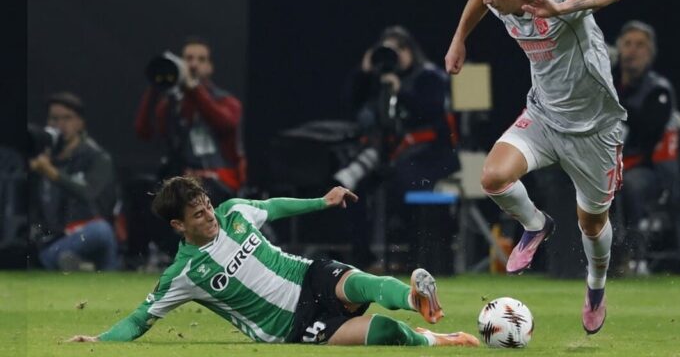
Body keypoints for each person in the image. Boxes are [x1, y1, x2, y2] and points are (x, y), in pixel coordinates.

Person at [444, 0, 625, 334]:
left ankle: (596, 286)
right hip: (543, 116)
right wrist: (460, 39)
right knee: (493, 177)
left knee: (592, 224)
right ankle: (535, 224)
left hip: (594, 129)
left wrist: (563, 9)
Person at [66, 176, 478, 347]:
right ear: (178, 225)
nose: (209, 215)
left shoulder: (234, 212)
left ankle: (418, 299)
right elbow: (140, 319)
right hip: (290, 326)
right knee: (385, 332)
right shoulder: (185, 272)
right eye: (198, 214)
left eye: (207, 205)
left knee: (361, 282)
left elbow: (274, 207)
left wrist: (322, 200)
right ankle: (437, 340)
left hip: (306, 275)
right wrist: (100, 342)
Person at [336, 26, 460, 269]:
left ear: (411, 50)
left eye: (400, 49)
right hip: (387, 155)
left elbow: (431, 111)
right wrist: (364, 72)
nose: (395, 56)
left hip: (428, 157)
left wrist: (400, 91)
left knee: (400, 187)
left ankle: (409, 260)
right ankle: (364, 260)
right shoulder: (377, 79)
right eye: (388, 50)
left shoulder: (429, 76)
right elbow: (349, 103)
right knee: (351, 192)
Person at [135, 36, 246, 202]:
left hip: (218, 181)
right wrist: (156, 86)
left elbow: (225, 123)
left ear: (210, 67)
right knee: (140, 194)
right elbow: (144, 132)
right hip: (181, 180)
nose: (194, 65)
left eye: (201, 60)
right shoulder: (171, 105)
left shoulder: (226, 102)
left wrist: (194, 89)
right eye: (188, 59)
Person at [614, 20, 680, 275]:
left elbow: (645, 133)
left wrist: (611, 104)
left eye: (640, 45)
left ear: (650, 53)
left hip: (646, 166)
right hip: (607, 161)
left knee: (632, 184)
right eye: (628, 44)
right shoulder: (608, 83)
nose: (632, 51)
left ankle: (634, 254)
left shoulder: (659, 90)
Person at [29, 92, 118, 271]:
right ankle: (70, 263)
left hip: (86, 233)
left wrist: (52, 173)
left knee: (101, 231)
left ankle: (58, 262)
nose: (60, 125)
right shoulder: (42, 158)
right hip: (53, 239)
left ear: (80, 123)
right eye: (54, 119)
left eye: (67, 118)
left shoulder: (97, 157)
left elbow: (89, 193)